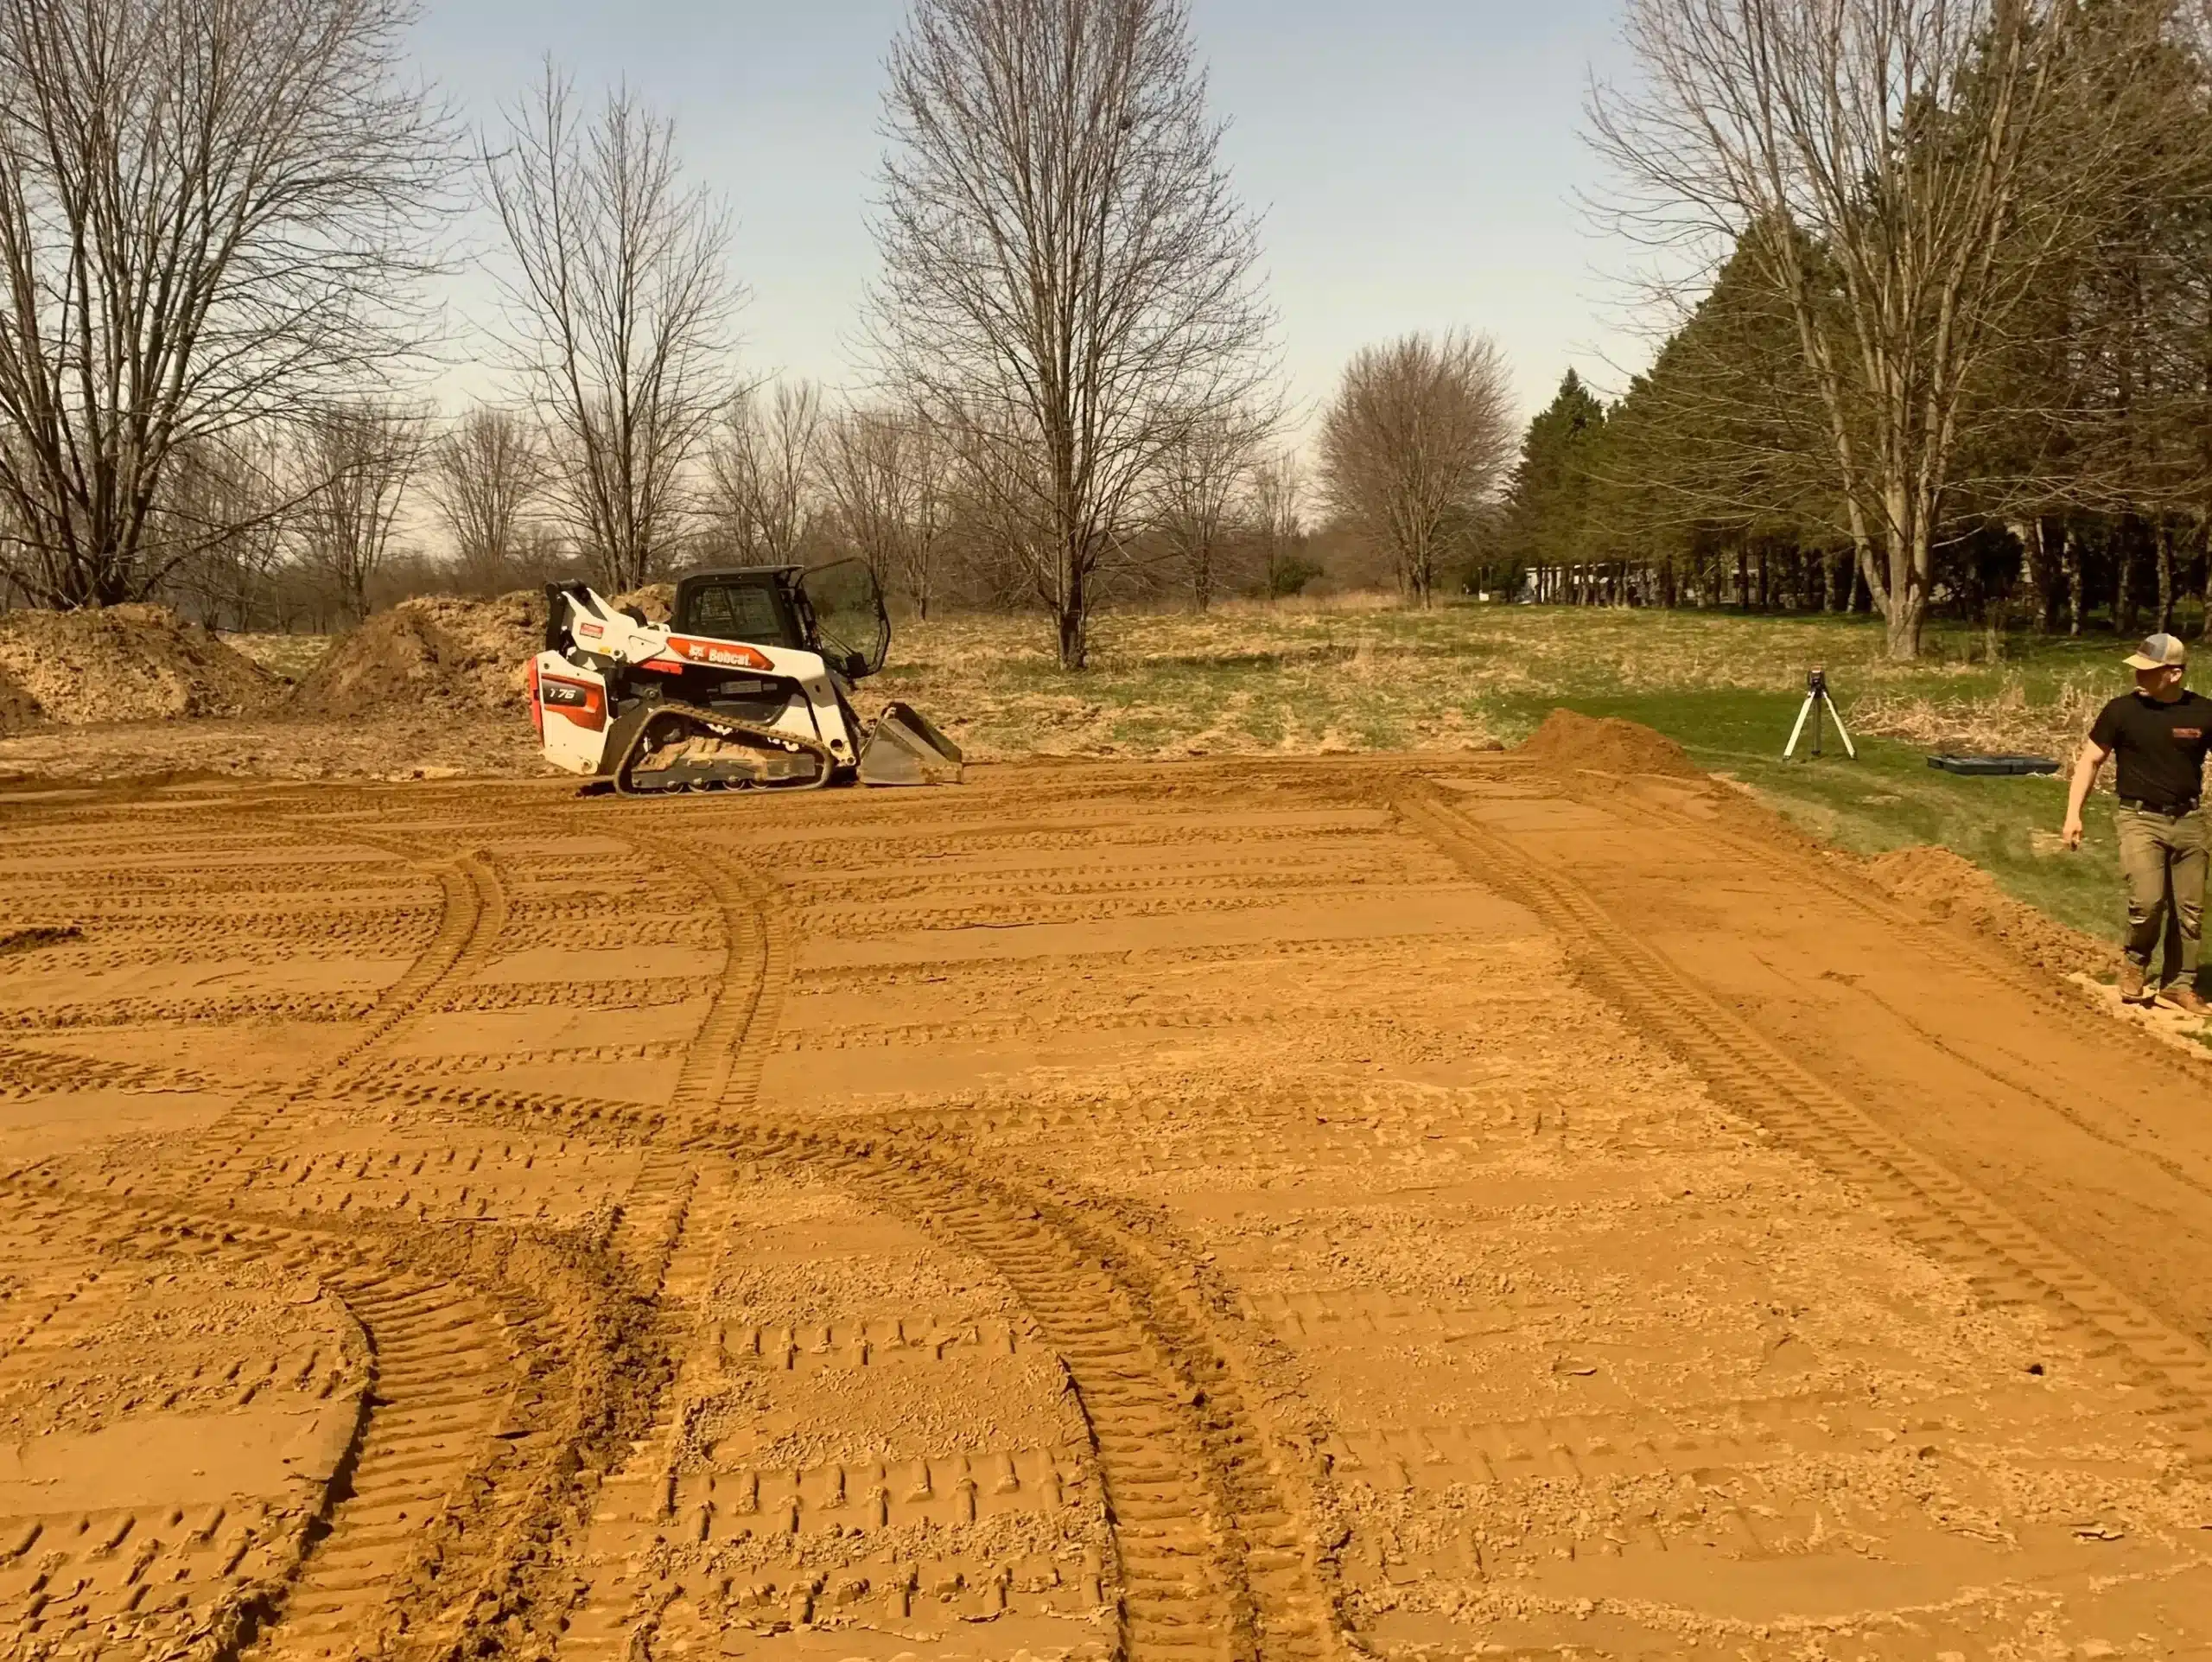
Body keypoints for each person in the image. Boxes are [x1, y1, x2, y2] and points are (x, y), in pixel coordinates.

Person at [2063, 632, 2212, 1012]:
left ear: (2174, 674)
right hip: (2139, 818)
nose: (2138, 676)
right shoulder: (2121, 711)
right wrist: (2073, 814)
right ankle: (2135, 963)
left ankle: (2178, 985)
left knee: (2190, 911)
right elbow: (2090, 761)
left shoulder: (2203, 712)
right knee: (2147, 902)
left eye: (2149, 670)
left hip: (2190, 819)